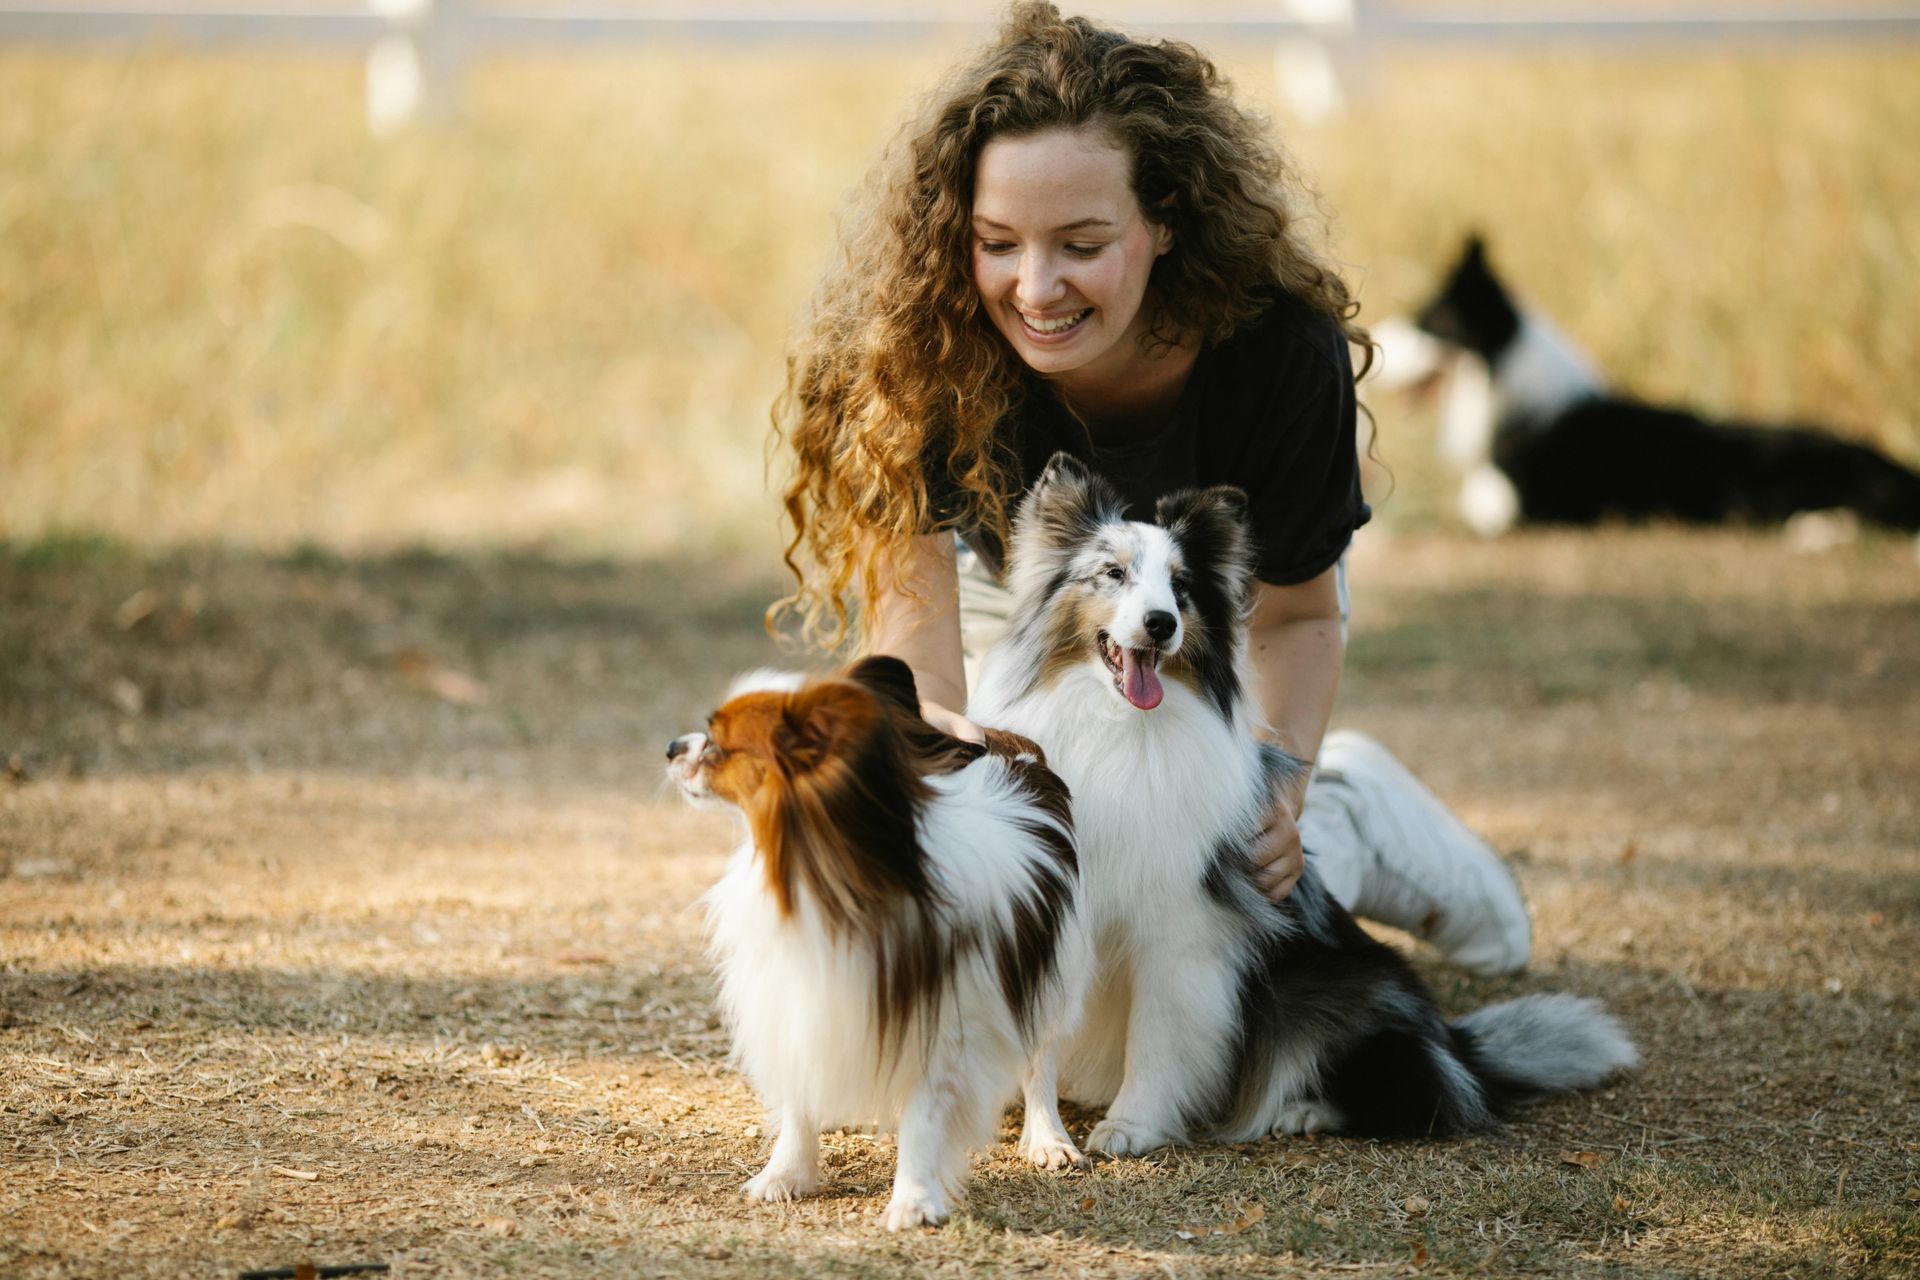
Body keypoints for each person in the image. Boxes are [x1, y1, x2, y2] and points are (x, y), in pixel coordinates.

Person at [770, 2, 1530, 975]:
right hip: (1030, 609)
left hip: (1213, 637)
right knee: (1040, 912)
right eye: (998, 241)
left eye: (1082, 244)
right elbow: (916, 647)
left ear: (1165, 221)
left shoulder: (1280, 355)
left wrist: (1275, 786)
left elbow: (1296, 619)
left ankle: (1354, 809)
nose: (1035, 288)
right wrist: (940, 770)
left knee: (1215, 887)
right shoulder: (912, 350)